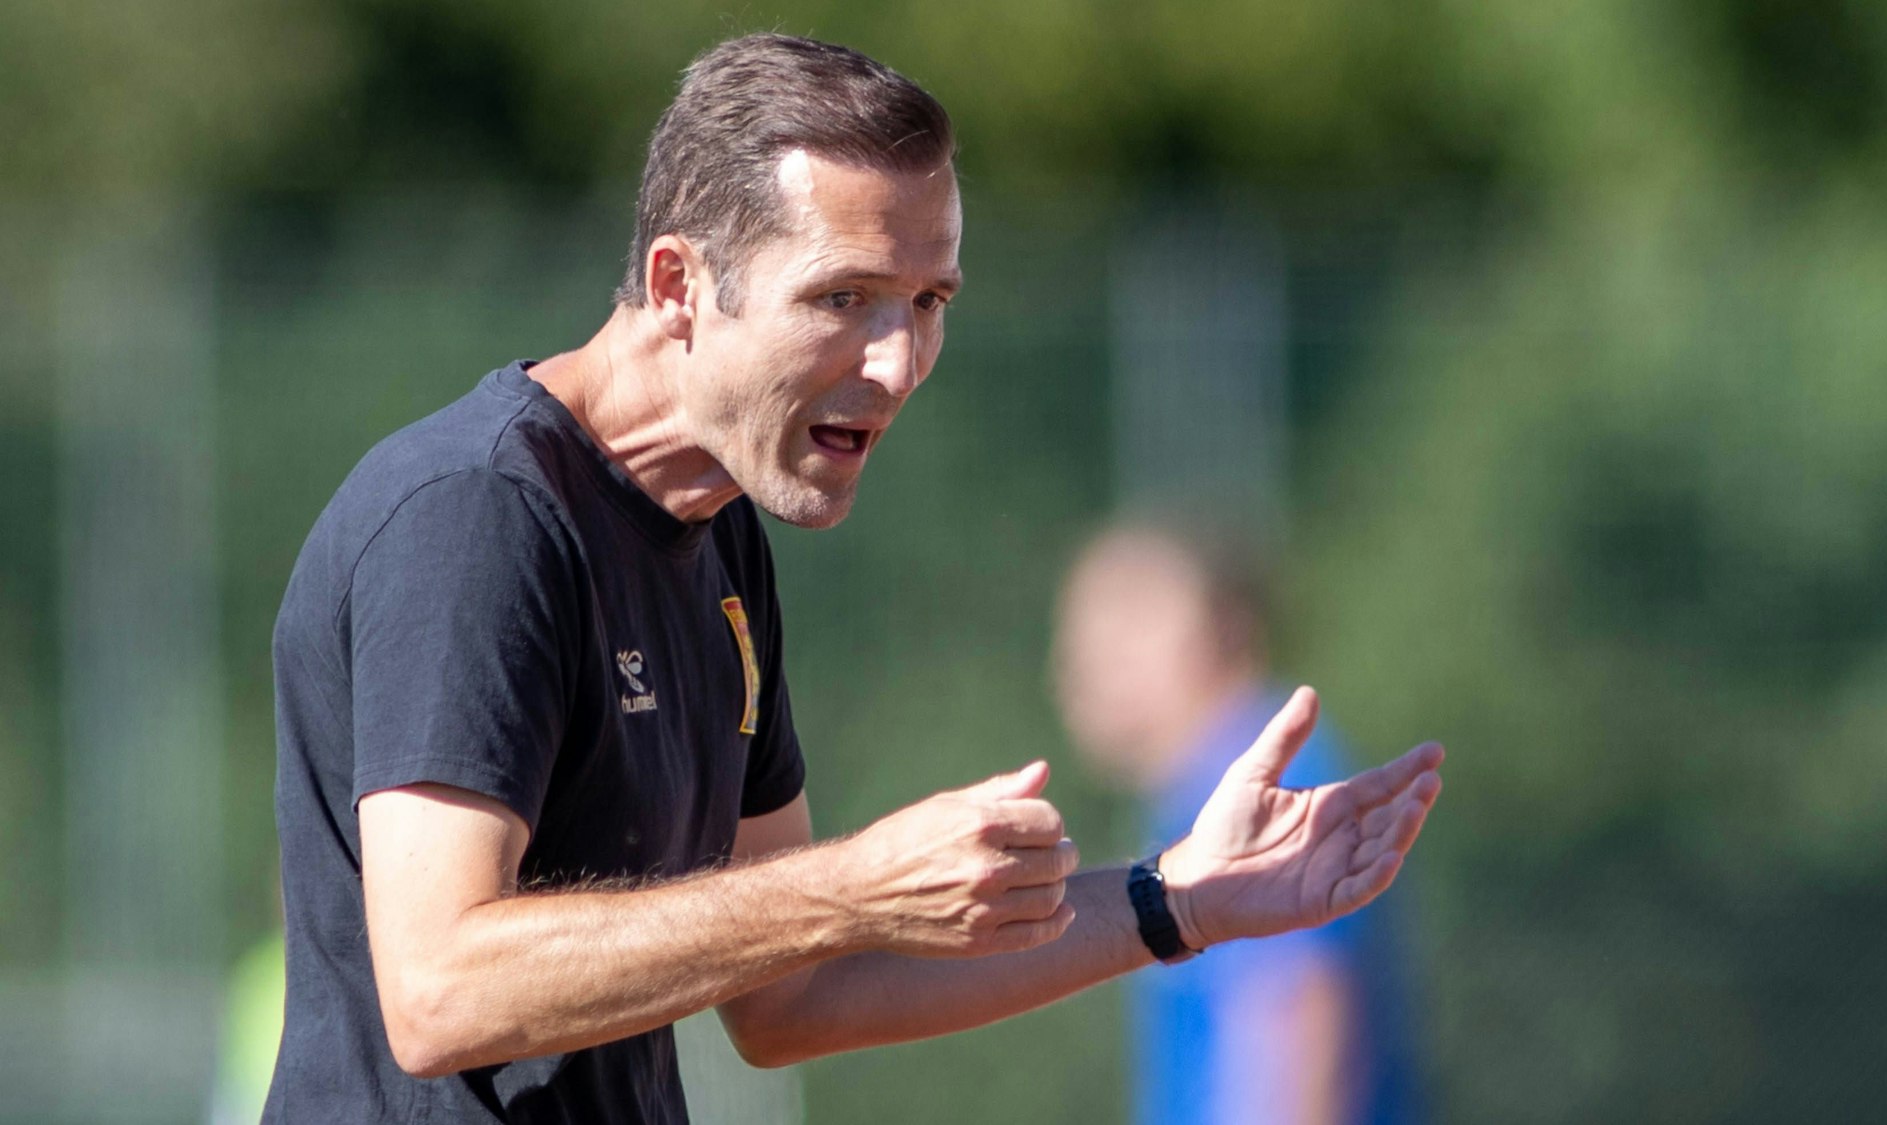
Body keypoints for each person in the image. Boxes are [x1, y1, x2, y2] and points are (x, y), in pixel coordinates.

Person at [265, 33, 1445, 1123]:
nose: (896, 363)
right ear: (678, 286)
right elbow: (437, 992)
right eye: (841, 299)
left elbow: (791, 1003)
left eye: (927, 303)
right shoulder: (476, 517)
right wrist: (848, 890)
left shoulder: (718, 532)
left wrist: (1173, 901)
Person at [1053, 526, 1424, 1124]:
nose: (1088, 659)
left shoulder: (1268, 778)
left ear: (1227, 628)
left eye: (1128, 622)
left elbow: (1300, 1019)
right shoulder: (1193, 795)